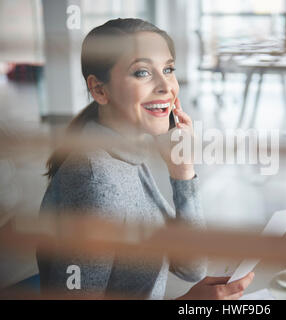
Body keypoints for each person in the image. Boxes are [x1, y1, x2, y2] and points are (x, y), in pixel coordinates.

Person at [36, 18, 254, 299]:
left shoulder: (128, 154)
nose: (166, 86)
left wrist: (183, 172)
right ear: (99, 90)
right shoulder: (96, 184)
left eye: (168, 69)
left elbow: (191, 267)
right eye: (142, 72)